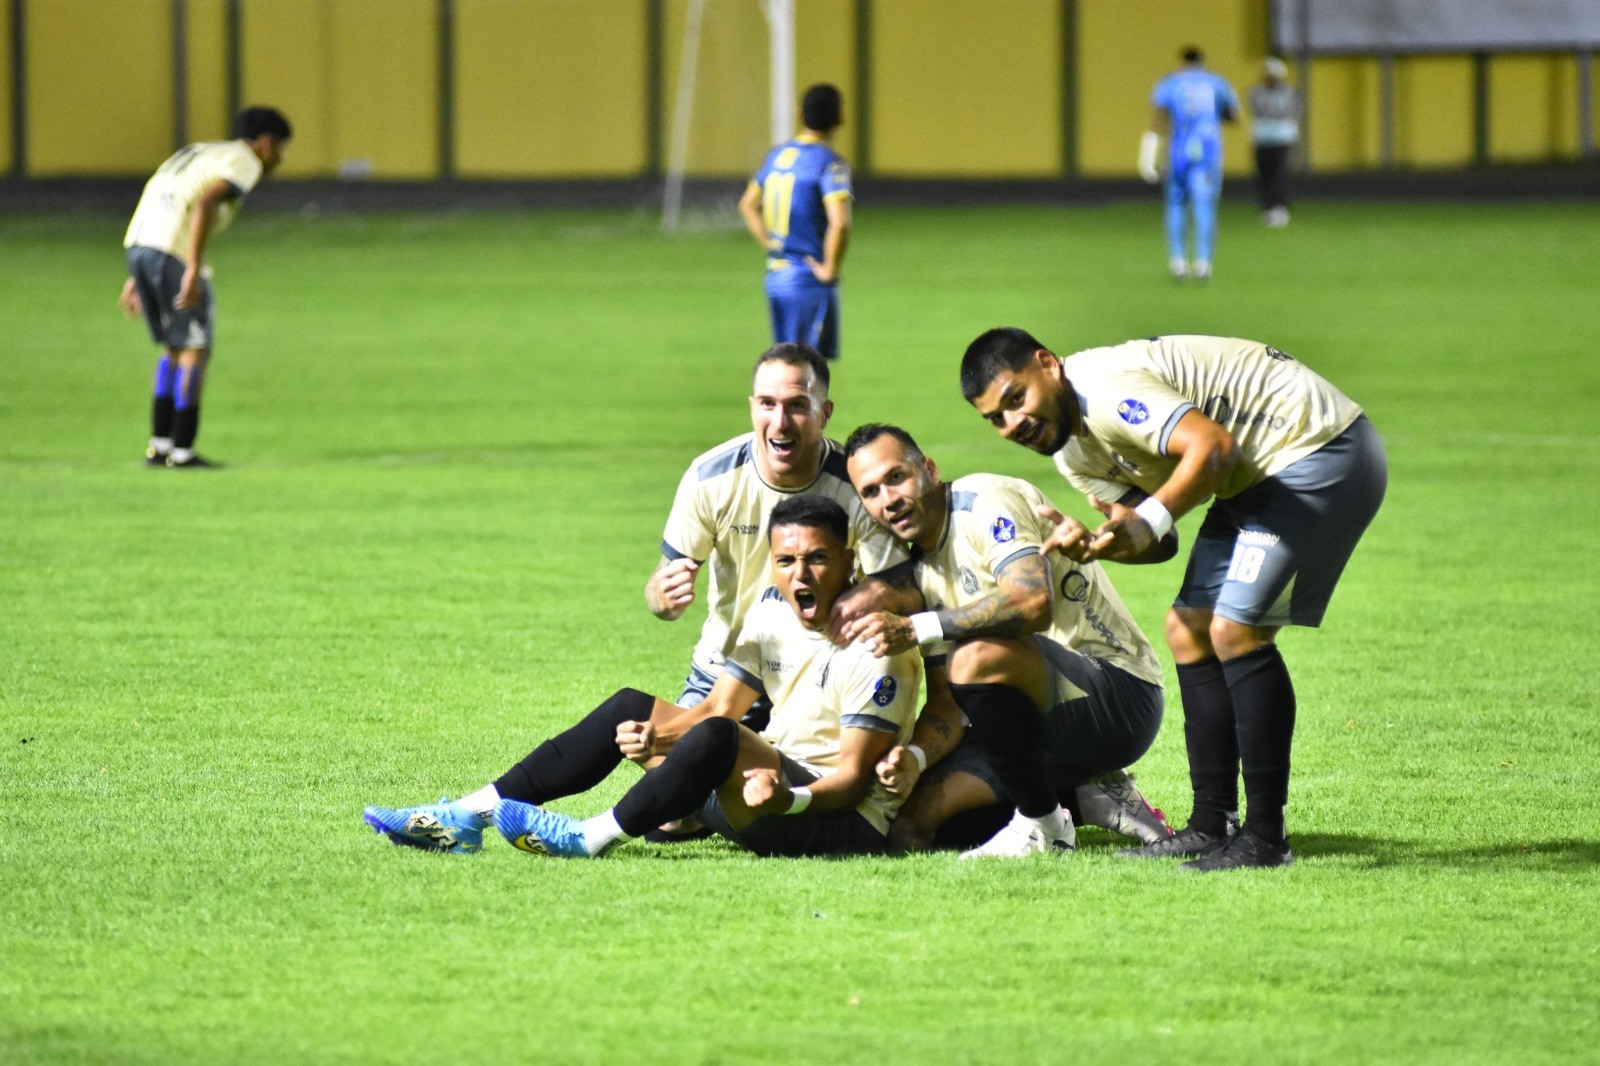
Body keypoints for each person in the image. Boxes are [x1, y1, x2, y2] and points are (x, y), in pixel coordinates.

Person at [960, 328, 1387, 872]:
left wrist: (1147, 520)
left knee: (1236, 631)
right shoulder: (1073, 454)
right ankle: (1211, 823)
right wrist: (1100, 543)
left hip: (1317, 446)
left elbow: (1214, 450)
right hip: (1252, 479)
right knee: (1187, 629)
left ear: (1048, 363)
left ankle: (1265, 837)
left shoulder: (1103, 387)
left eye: (1016, 399)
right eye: (995, 418)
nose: (1011, 424)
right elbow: (1158, 540)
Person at [363, 496, 923, 859]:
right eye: (786, 561)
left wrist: (783, 799)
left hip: (829, 821)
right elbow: (716, 709)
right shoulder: (772, 608)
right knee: (632, 708)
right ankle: (467, 815)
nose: (799, 575)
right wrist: (658, 739)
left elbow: (852, 783)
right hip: (755, 794)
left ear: (849, 560)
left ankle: (588, 837)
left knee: (721, 739)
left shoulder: (878, 645)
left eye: (817, 559)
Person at [838, 424, 1171, 858]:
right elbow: (947, 704)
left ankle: (1046, 827)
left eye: (896, 477)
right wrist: (915, 759)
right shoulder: (922, 570)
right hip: (1036, 724)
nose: (889, 499)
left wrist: (918, 627)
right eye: (871, 492)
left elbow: (1032, 603)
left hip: (1119, 697)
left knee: (973, 655)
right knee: (916, 822)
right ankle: (1088, 796)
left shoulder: (986, 501)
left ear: (929, 470)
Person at [646, 343, 907, 723]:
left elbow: (904, 588)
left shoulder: (858, 488)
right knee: (669, 753)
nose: (780, 422)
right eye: (768, 404)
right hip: (722, 675)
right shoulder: (710, 478)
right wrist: (662, 597)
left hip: (821, 678)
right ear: (752, 407)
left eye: (797, 405)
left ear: (825, 412)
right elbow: (660, 588)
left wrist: (878, 591)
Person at [118, 106, 292, 468]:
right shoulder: (244, 161)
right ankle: (182, 452)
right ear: (264, 143)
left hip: (141, 243)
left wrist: (139, 271)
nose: (282, 157)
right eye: (281, 147)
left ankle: (160, 447)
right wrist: (193, 267)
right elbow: (204, 202)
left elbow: (163, 195)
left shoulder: (200, 152)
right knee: (195, 348)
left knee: (174, 346)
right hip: (172, 253)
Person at [737, 83, 852, 361]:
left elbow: (748, 205)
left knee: (789, 366)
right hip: (807, 279)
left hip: (776, 277)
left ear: (799, 113)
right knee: (806, 371)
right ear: (841, 118)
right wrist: (829, 269)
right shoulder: (830, 163)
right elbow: (840, 222)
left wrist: (773, 246)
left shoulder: (777, 155)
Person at [1138, 47, 1239, 282]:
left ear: (1182, 62)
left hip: (1179, 152)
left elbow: (1158, 116)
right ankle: (1203, 263)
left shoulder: (1170, 83)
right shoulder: (1218, 83)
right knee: (1204, 206)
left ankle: (1178, 262)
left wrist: (1148, 152)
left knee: (1175, 204)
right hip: (1207, 153)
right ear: (1203, 63)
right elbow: (1234, 115)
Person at [1249, 57, 1301, 227]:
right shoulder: (1257, 92)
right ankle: (1268, 207)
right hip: (1263, 138)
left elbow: (1295, 114)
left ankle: (1280, 207)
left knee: (1279, 174)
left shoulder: (1289, 93)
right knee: (1264, 175)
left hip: (1281, 138)